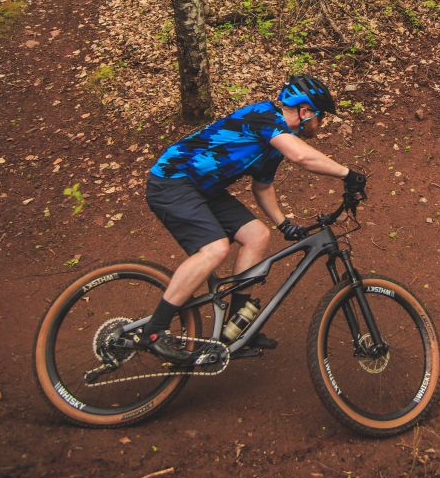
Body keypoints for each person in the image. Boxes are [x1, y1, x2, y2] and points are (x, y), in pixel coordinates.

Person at [131, 74, 367, 364]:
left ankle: (235, 331)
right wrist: (347, 174)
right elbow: (302, 158)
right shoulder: (264, 116)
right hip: (172, 181)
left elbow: (263, 186)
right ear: (305, 112)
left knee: (257, 235)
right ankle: (154, 331)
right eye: (321, 117)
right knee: (216, 248)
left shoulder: (275, 143)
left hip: (205, 189)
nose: (322, 124)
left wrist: (283, 224)